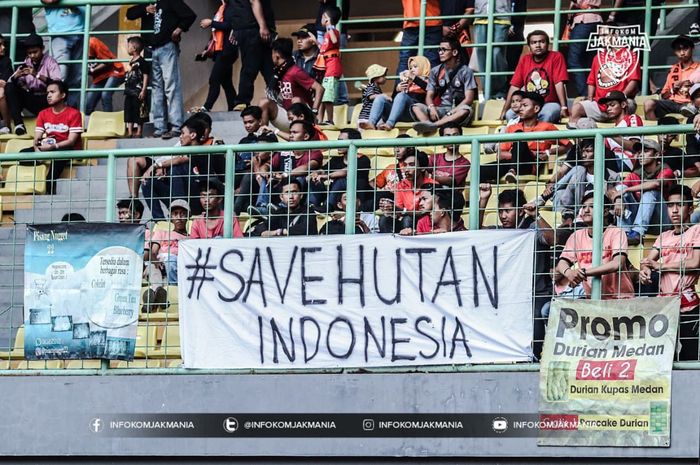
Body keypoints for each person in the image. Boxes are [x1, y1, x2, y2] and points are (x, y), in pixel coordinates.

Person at [481, 186, 554, 358]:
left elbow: (553, 238)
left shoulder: (532, 229)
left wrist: (536, 215)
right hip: (509, 294)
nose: (503, 216)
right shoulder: (499, 232)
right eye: (500, 211)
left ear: (521, 211)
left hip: (538, 293)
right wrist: (483, 200)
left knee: (535, 319)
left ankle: (533, 359)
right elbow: (477, 233)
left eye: (508, 211)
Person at [640, 184, 700, 360]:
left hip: (688, 304)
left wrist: (661, 266)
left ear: (691, 208)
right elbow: (647, 261)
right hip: (664, 305)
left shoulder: (697, 231)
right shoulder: (663, 237)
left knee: (689, 354)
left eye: (680, 205)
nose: (674, 210)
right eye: (670, 205)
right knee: (664, 356)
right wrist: (645, 270)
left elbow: (695, 263)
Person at [556, 189, 635, 299]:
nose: (586, 210)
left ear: (605, 211)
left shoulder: (616, 232)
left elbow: (617, 264)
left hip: (620, 298)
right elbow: (562, 262)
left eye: (592, 206)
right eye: (584, 207)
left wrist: (584, 273)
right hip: (593, 300)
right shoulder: (576, 236)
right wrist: (569, 273)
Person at [481, 92, 571, 183]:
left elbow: (568, 145)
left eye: (525, 105)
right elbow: (500, 155)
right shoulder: (512, 128)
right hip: (511, 163)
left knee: (519, 135)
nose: (520, 108)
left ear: (536, 109)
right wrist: (527, 155)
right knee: (479, 171)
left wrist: (549, 152)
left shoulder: (547, 127)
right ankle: (512, 170)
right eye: (520, 105)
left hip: (530, 166)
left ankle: (512, 170)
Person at [569, 25, 641, 124]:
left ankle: (622, 138)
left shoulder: (630, 55)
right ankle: (575, 138)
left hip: (621, 102)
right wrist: (590, 97)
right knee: (576, 108)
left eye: (605, 35)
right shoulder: (597, 57)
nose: (601, 38)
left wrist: (621, 98)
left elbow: (633, 81)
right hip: (600, 104)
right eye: (600, 35)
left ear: (615, 35)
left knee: (629, 104)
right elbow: (591, 81)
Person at [610, 139, 674, 246]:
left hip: (663, 221)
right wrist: (618, 199)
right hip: (642, 220)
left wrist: (625, 190)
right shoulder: (637, 173)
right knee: (621, 190)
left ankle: (637, 233)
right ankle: (624, 232)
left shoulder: (666, 170)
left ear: (657, 154)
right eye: (639, 152)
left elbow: (656, 184)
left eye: (646, 151)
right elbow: (616, 189)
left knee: (650, 192)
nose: (641, 155)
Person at [141, 118, 206, 220]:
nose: (180, 137)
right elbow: (167, 158)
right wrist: (158, 167)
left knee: (176, 168)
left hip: (196, 198)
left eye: (182, 133)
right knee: (147, 182)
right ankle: (160, 221)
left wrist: (158, 166)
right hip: (177, 194)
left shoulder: (202, 150)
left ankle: (181, 215)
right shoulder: (181, 146)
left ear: (193, 135)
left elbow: (180, 160)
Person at [149, 0, 196, 139]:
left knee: (171, 86)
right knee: (158, 89)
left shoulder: (171, 1)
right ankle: (160, 127)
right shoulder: (157, 4)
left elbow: (190, 15)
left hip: (167, 46)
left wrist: (179, 29)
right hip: (156, 48)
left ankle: (176, 126)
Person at [411, 36, 478, 134]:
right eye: (439, 50)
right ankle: (426, 124)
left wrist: (452, 112)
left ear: (454, 52)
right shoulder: (435, 71)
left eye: (444, 50)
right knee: (415, 106)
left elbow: (468, 99)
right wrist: (431, 107)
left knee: (465, 110)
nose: (440, 52)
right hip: (441, 110)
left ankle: (433, 126)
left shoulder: (466, 71)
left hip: (457, 110)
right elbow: (429, 95)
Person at [500, 30, 569, 123]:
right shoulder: (525, 60)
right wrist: (505, 110)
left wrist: (564, 107)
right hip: (529, 104)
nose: (538, 45)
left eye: (542, 42)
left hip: (550, 103)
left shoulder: (556, 56)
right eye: (533, 43)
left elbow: (559, 83)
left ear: (548, 44)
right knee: (510, 115)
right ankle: (522, 137)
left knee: (546, 114)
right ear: (529, 47)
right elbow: (514, 86)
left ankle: (538, 137)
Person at [29, 80, 83, 194]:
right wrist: (37, 149)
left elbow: (71, 141)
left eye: (52, 92)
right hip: (48, 146)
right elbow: (37, 138)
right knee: (22, 154)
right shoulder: (43, 113)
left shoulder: (74, 113)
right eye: (47, 92)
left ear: (63, 95)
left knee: (60, 154)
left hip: (66, 148)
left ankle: (49, 187)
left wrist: (53, 146)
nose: (48, 95)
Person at [258, 38, 324, 131]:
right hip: (287, 114)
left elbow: (319, 88)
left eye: (272, 53)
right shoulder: (279, 72)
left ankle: (300, 132)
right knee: (264, 102)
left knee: (296, 100)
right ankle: (263, 135)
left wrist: (314, 111)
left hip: (304, 118)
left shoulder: (295, 71)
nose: (271, 56)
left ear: (276, 55)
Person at [5, 33, 61, 135]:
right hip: (32, 98)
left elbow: (57, 84)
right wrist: (16, 76)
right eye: (29, 53)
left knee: (57, 91)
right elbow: (11, 84)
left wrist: (37, 75)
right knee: (9, 86)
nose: (32, 56)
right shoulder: (26, 63)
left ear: (42, 49)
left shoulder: (51, 62)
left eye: (35, 52)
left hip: (47, 99)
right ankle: (19, 125)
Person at [308, 127, 371, 210]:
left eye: (341, 140)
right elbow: (323, 170)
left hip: (357, 197)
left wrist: (327, 176)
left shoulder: (363, 159)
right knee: (313, 179)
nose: (338, 143)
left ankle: (328, 206)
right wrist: (316, 173)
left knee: (341, 180)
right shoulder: (336, 160)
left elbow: (347, 171)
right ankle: (310, 206)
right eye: (338, 140)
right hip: (338, 196)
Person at [231, 0, 276, 110]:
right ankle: (242, 100)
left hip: (245, 27)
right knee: (251, 65)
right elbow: (254, 1)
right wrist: (263, 26)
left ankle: (276, 96)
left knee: (267, 66)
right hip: (253, 28)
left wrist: (235, 28)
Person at [39, 0, 84, 107]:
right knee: (59, 77)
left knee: (76, 79)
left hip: (81, 32)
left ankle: (71, 112)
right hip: (60, 34)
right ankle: (55, 112)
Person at [379, 150, 437, 233]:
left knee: (408, 219)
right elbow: (398, 212)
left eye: (412, 165)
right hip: (404, 222)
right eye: (405, 165)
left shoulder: (432, 185)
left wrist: (402, 210)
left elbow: (425, 213)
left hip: (425, 224)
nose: (406, 169)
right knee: (384, 220)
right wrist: (390, 209)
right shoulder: (400, 186)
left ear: (423, 168)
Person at [645, 35, 699, 121]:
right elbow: (663, 95)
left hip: (690, 103)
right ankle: (655, 132)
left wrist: (692, 87)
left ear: (692, 48)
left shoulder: (698, 68)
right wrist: (673, 89)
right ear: (675, 52)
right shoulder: (674, 69)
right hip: (672, 103)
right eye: (678, 50)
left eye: (685, 48)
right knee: (649, 104)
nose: (682, 53)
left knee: (691, 108)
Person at [198, 0, 238, 112]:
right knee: (226, 82)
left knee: (214, 79)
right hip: (221, 50)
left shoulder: (232, 7)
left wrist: (211, 22)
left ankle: (207, 106)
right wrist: (207, 49)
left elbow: (229, 25)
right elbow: (216, 33)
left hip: (227, 51)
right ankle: (233, 107)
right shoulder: (222, 8)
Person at [376, 56, 430, 131]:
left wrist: (414, 78)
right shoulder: (407, 81)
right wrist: (397, 89)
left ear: (423, 66)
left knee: (402, 96)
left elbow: (428, 89)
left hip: (413, 114)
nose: (412, 70)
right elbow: (394, 100)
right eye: (410, 68)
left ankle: (389, 124)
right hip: (398, 114)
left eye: (415, 67)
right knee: (380, 98)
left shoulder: (429, 80)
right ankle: (372, 123)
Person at [252, 178, 319, 236]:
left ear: (301, 195)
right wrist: (268, 233)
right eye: (287, 193)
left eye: (294, 192)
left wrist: (280, 232)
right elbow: (261, 227)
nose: (291, 197)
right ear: (281, 197)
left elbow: (305, 229)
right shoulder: (280, 212)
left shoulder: (309, 211)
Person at [473, 0, 511, 98]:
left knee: (496, 53)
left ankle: (499, 92)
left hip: (501, 16)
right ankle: (487, 91)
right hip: (481, 15)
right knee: (481, 54)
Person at [566, 0, 604, 97]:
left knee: (573, 61)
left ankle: (586, 94)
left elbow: (578, 3)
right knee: (590, 61)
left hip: (584, 19)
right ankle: (596, 93)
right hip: (593, 20)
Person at [599, 90, 643, 172]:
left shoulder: (632, 118)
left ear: (623, 104)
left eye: (612, 105)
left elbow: (635, 146)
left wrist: (613, 135)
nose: (608, 109)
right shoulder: (611, 131)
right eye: (607, 106)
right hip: (612, 161)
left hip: (627, 161)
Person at [150, 199, 190, 284]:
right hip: (160, 264)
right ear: (170, 217)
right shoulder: (162, 232)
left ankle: (172, 289)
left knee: (171, 261)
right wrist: (156, 262)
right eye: (175, 214)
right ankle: (157, 291)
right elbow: (153, 251)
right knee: (153, 268)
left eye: (182, 214)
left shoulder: (191, 238)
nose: (179, 218)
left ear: (188, 216)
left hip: (180, 266)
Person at [398, 0, 442, 73]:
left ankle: (432, 83)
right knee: (406, 59)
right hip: (426, 21)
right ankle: (402, 84)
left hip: (427, 21)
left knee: (406, 59)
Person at [317, 5, 343, 125]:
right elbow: (324, 48)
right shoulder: (328, 33)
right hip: (327, 68)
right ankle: (320, 120)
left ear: (327, 18)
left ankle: (330, 120)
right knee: (322, 96)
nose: (321, 20)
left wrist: (329, 26)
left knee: (327, 97)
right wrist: (315, 41)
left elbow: (333, 40)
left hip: (332, 69)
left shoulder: (333, 32)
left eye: (323, 17)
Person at [86, 37, 125, 114]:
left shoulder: (92, 42)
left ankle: (109, 120)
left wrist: (92, 70)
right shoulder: (76, 49)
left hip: (114, 71)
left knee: (105, 95)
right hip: (100, 76)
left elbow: (108, 61)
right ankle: (88, 124)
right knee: (88, 102)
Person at [123, 36, 150, 140]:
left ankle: (139, 131)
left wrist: (143, 90)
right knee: (129, 111)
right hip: (129, 91)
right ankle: (129, 132)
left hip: (138, 91)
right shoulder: (131, 61)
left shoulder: (142, 62)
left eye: (129, 46)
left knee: (139, 111)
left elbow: (145, 76)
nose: (127, 48)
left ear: (134, 48)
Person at [431, 123, 470, 188]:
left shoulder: (464, 162)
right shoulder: (434, 158)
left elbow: (450, 181)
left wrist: (430, 176)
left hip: (452, 196)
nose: (452, 139)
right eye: (447, 136)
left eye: (455, 135)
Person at [358, 64, 388, 129]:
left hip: (373, 117)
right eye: (383, 76)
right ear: (375, 77)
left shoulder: (377, 88)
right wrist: (382, 96)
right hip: (366, 117)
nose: (385, 78)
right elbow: (371, 96)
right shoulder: (371, 86)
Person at [0, 34, 13, 134]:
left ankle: (6, 127)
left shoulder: (6, 60)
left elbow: (5, 81)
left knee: (1, 92)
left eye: (3, 44)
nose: (3, 47)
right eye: (0, 45)